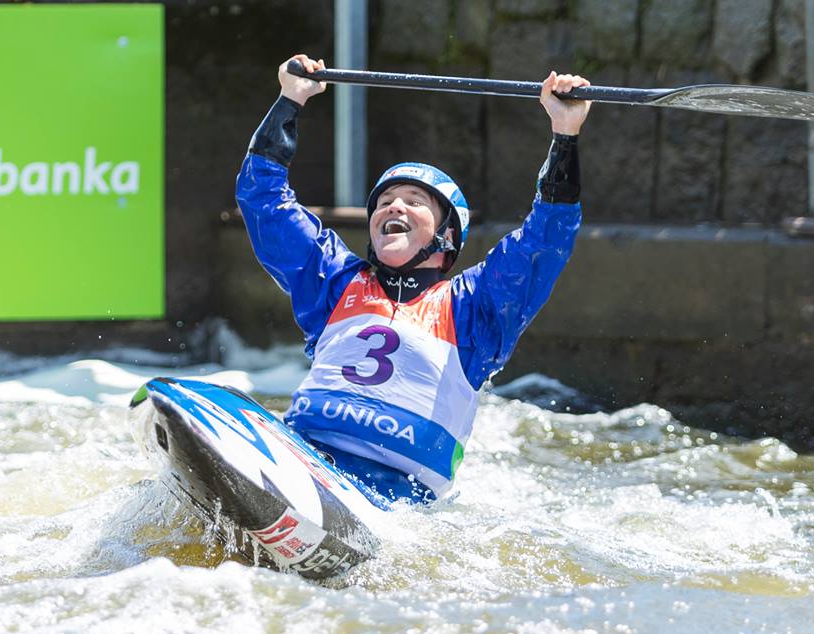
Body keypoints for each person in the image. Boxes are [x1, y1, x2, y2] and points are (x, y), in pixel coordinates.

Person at [236, 54, 591, 506]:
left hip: (399, 502)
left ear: (447, 237)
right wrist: (289, 100)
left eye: (415, 201)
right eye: (385, 200)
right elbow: (264, 200)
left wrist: (565, 134)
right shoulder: (332, 282)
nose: (394, 207)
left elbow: (547, 237)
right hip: (303, 461)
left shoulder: (475, 309)